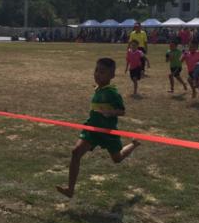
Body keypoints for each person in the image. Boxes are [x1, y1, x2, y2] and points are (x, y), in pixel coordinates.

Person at [56, 58, 140, 198]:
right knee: (76, 152)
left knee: (117, 158)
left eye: (102, 72)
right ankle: (70, 189)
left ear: (112, 75)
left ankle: (133, 144)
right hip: (92, 129)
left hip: (108, 132)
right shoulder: (99, 89)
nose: (97, 74)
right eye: (96, 70)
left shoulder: (112, 93)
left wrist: (111, 112)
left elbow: (122, 111)